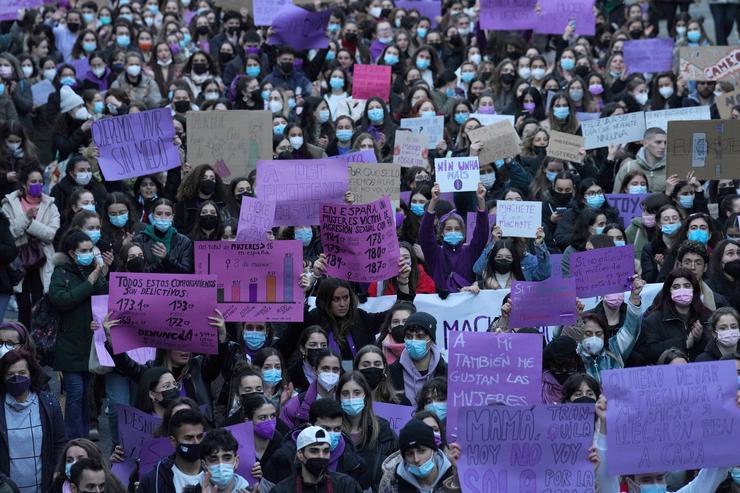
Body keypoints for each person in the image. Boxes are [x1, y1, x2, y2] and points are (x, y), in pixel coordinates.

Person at [49, 229, 109, 440]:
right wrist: (89, 282)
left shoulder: (93, 269)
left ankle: (82, 438)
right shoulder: (61, 272)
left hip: (90, 344)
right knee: (74, 393)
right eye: (83, 250)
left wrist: (101, 272)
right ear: (72, 253)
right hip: (68, 344)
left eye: (90, 249)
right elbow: (62, 300)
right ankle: (71, 439)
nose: (88, 254)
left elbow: (104, 297)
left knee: (85, 395)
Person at [0, 349, 66, 493]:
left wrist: (57, 471)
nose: (16, 378)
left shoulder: (49, 404)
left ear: (31, 373)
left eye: (22, 373)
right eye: (10, 374)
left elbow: (59, 443)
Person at [2, 166, 59, 327]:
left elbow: (50, 234)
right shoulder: (9, 204)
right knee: (23, 306)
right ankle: (22, 341)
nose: (37, 185)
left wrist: (31, 224)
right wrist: (25, 218)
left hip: (42, 261)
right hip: (19, 262)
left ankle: (38, 345)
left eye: (41, 181)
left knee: (40, 305)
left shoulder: (50, 205)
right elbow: (9, 232)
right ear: (24, 184)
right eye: (33, 181)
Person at [419, 183, 488, 292]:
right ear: (441, 233)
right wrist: (433, 201)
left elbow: (482, 233)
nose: (453, 232)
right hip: (440, 304)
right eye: (448, 229)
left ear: (463, 233)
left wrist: (480, 201)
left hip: (467, 302)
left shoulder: (470, 251)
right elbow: (425, 235)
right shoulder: (435, 253)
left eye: (457, 229)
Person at [635, 267, 713, 363]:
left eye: (687, 285)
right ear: (669, 291)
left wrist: (700, 339)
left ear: (694, 289)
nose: (682, 290)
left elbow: (716, 348)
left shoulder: (707, 316)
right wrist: (684, 343)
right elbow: (647, 351)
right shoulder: (653, 320)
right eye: (676, 287)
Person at [336, 371, 398, 489]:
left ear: (366, 396)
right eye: (345, 393)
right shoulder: (333, 434)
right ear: (339, 397)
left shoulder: (384, 430)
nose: (351, 398)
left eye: (357, 393)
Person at [576, 277, 644, 382]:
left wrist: (635, 297)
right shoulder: (575, 354)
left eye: (598, 334)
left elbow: (631, 329)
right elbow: (560, 341)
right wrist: (572, 317)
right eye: (588, 334)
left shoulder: (614, 348)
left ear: (605, 336)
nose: (594, 338)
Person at [270, 425, 363, 493]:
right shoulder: (282, 490)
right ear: (300, 454)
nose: (321, 456)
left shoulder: (346, 486)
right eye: (314, 451)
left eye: (326, 451)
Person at [138, 408, 207, 493]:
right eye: (189, 438)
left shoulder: (217, 475)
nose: (196, 442)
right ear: (173, 441)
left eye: (200, 437)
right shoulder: (152, 481)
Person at [377, 420, 456, 493]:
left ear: (434, 450)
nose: (416, 459)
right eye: (409, 454)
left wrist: (457, 480)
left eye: (421, 451)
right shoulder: (392, 483)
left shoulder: (453, 475)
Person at [388, 312, 447, 406]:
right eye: (409, 336)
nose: (414, 341)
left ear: (431, 339)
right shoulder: (391, 372)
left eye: (420, 336)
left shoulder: (446, 372)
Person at [612, 127, 667, 193]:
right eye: (658, 142)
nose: (663, 146)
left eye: (665, 143)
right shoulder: (628, 168)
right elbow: (617, 198)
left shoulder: (671, 169)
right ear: (645, 143)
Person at [198, 428, 251, 492]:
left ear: (236, 462)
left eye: (227, 458)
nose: (221, 466)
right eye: (213, 459)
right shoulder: (192, 490)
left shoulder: (249, 490)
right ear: (204, 465)